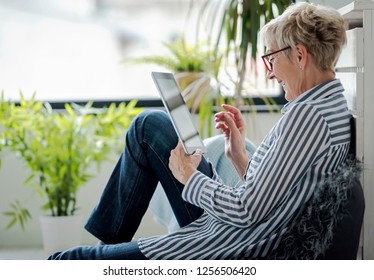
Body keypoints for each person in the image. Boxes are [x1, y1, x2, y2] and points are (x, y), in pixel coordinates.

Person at [49, 2, 349, 260]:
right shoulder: (323, 105)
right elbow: (275, 195)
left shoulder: (308, 116)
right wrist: (239, 157)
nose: (269, 70)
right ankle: (108, 255)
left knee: (63, 260)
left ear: (299, 55)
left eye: (271, 57)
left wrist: (188, 175)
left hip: (230, 242)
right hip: (231, 229)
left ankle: (105, 258)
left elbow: (247, 211)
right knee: (150, 125)